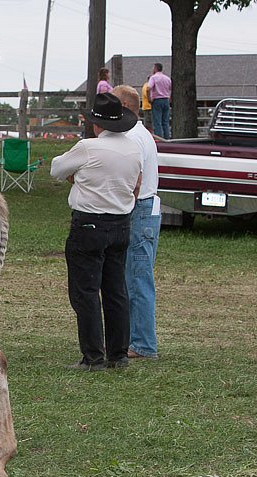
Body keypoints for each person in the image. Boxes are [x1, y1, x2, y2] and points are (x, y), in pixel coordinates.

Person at [50, 93, 142, 371]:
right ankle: (118, 353)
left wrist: (77, 177)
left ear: (96, 124)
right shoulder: (133, 149)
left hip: (89, 223)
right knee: (116, 291)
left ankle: (93, 356)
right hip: (121, 222)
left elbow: (57, 168)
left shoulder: (88, 148)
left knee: (86, 291)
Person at [112, 85, 161, 361]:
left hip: (139, 208)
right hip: (146, 209)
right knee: (133, 277)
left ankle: (143, 343)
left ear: (126, 108)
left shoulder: (133, 137)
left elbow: (135, 179)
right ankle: (135, 338)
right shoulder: (142, 135)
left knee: (138, 279)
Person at [148, 63, 172, 139]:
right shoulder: (167, 78)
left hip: (157, 100)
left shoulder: (153, 78)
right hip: (166, 99)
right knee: (165, 121)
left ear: (155, 68)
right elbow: (170, 89)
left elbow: (148, 88)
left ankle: (159, 139)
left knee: (157, 122)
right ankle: (167, 138)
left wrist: (149, 98)